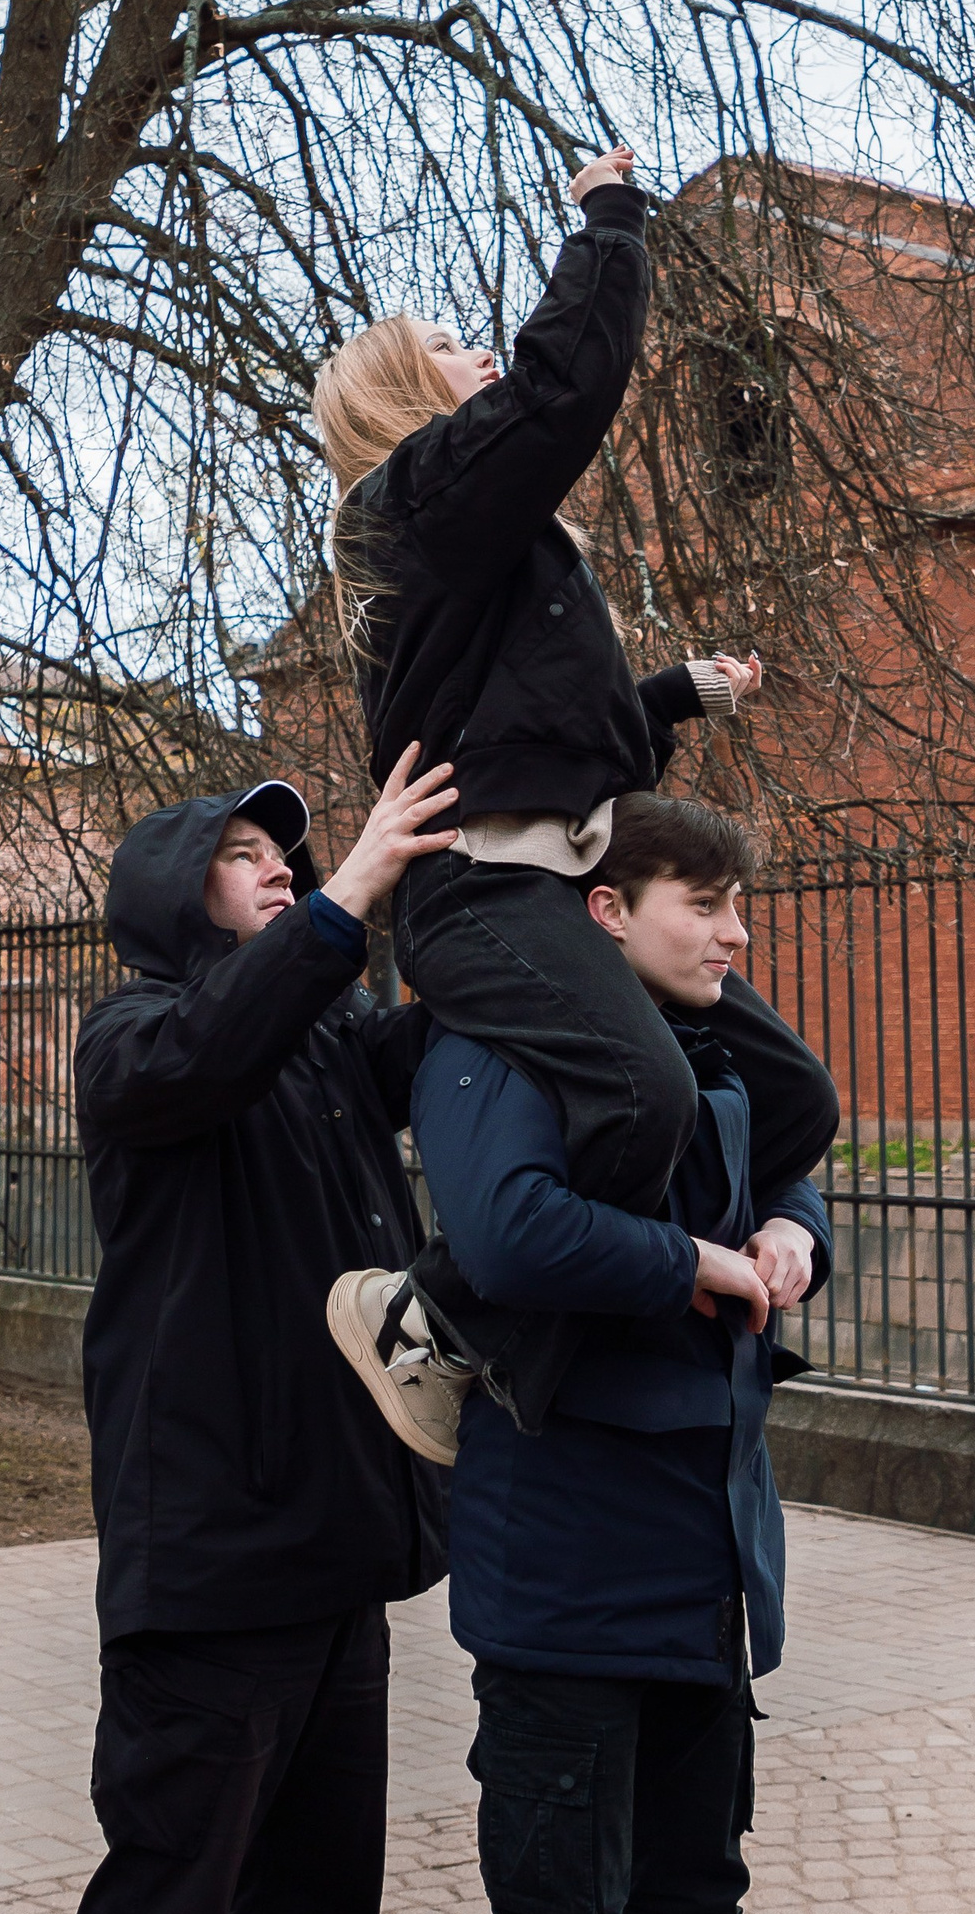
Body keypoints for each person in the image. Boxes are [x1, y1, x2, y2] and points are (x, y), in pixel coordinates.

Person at [403, 792, 879, 1914]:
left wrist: (796, 1232)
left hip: (700, 1576)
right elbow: (514, 1230)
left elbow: (794, 1150)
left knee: (689, 1910)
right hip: (563, 1583)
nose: (736, 929)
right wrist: (693, 1263)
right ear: (601, 907)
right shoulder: (497, 1041)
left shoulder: (682, 1047)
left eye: (743, 902)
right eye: (705, 901)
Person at [34, 748, 463, 1914]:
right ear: (166, 894)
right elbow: (224, 1037)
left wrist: (503, 882)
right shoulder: (136, 1039)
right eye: (243, 852)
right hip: (206, 1560)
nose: (283, 861)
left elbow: (433, 1028)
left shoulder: (324, 1050)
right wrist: (350, 894)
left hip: (334, 1548)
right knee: (168, 1902)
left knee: (315, 1889)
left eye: (292, 851)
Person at [311, 143, 839, 1451]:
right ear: (396, 393)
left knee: (799, 1095)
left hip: (553, 872)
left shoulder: (481, 548)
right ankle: (433, 1314)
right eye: (449, 343)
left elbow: (543, 735)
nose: (478, 352)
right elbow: (563, 390)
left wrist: (668, 695)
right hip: (482, 895)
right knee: (647, 1095)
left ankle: (502, 1307)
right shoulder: (413, 503)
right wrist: (607, 225)